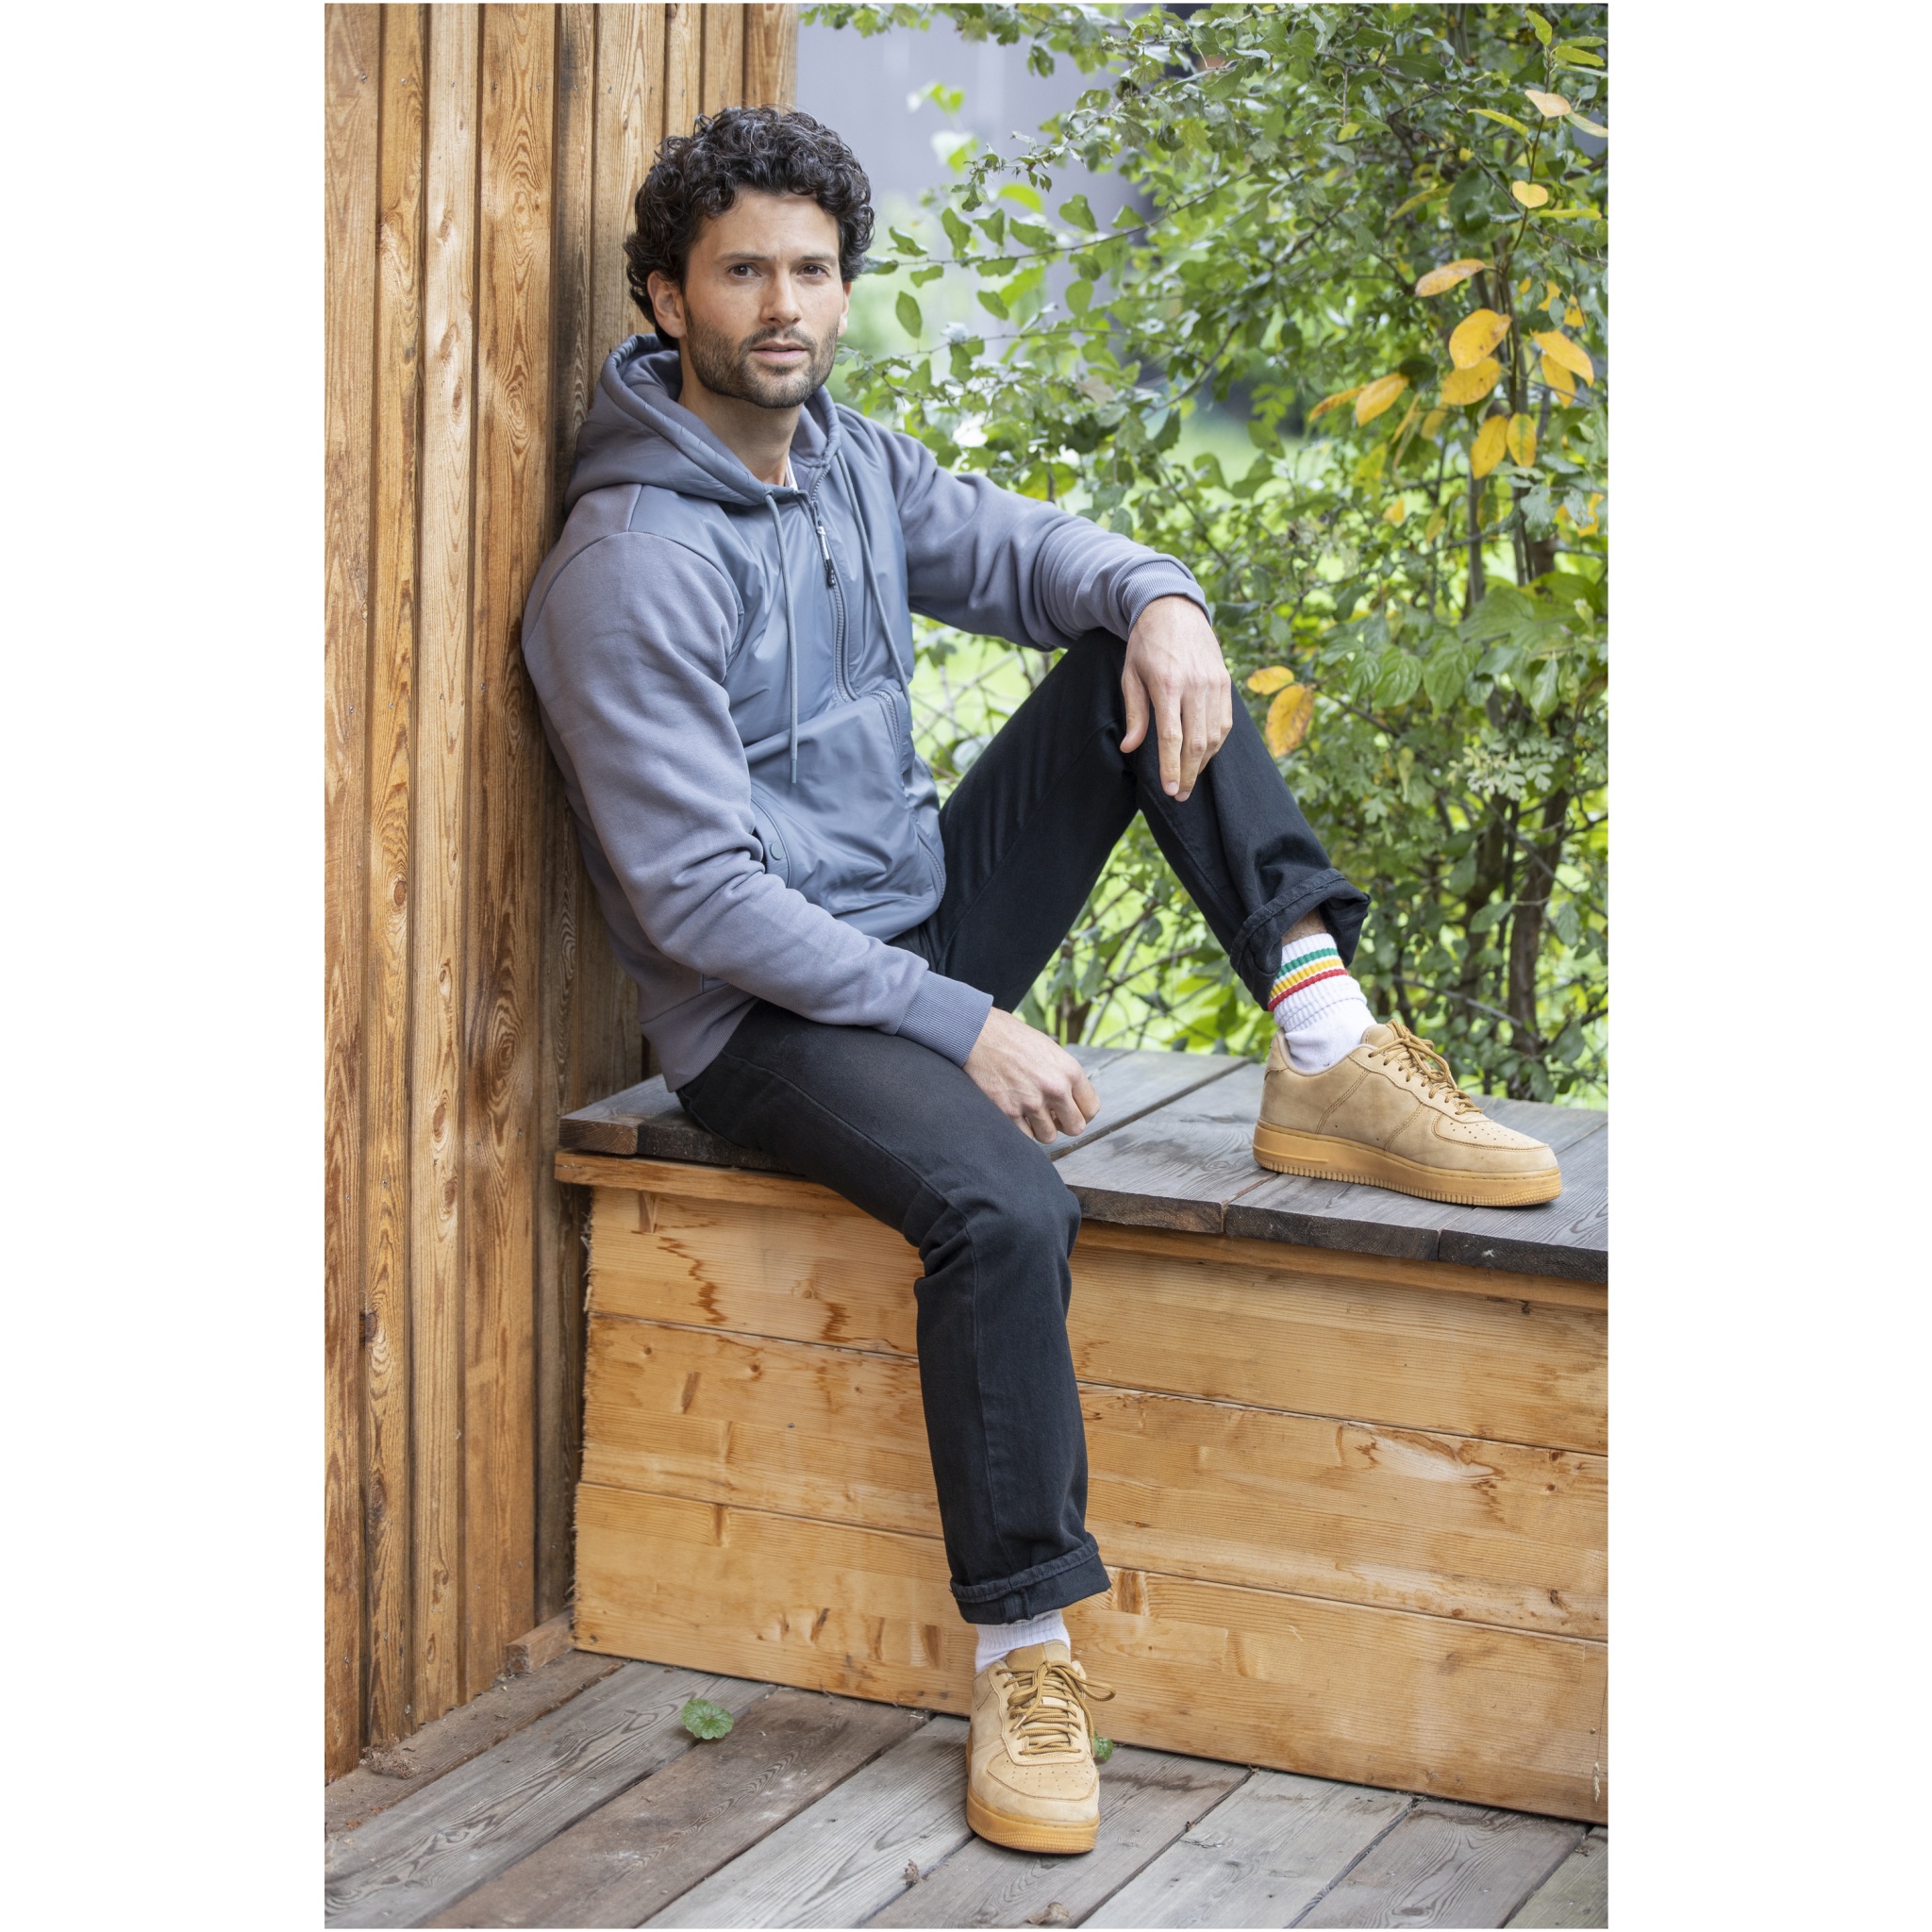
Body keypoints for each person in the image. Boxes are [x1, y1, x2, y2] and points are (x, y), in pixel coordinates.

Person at [521, 107, 1561, 1857]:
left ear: (843, 289)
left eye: (812, 271)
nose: (782, 305)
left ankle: (1325, 1036)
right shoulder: (629, 566)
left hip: (915, 937)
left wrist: (1164, 598)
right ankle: (1025, 1655)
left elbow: (1025, 553)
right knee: (1005, 1209)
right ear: (666, 297)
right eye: (742, 272)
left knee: (1119, 662)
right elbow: (698, 899)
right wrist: (966, 1026)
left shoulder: (847, 463)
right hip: (762, 1017)